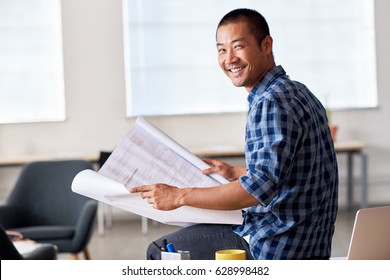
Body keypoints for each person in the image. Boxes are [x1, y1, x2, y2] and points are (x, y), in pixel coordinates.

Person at [131, 8, 338, 260]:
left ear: (266, 45)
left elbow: (255, 190)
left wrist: (178, 196)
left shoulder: (270, 102)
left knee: (159, 251)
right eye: (221, 49)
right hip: (310, 245)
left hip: (275, 245)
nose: (229, 59)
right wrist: (235, 172)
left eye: (238, 46)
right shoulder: (296, 91)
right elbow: (290, 171)